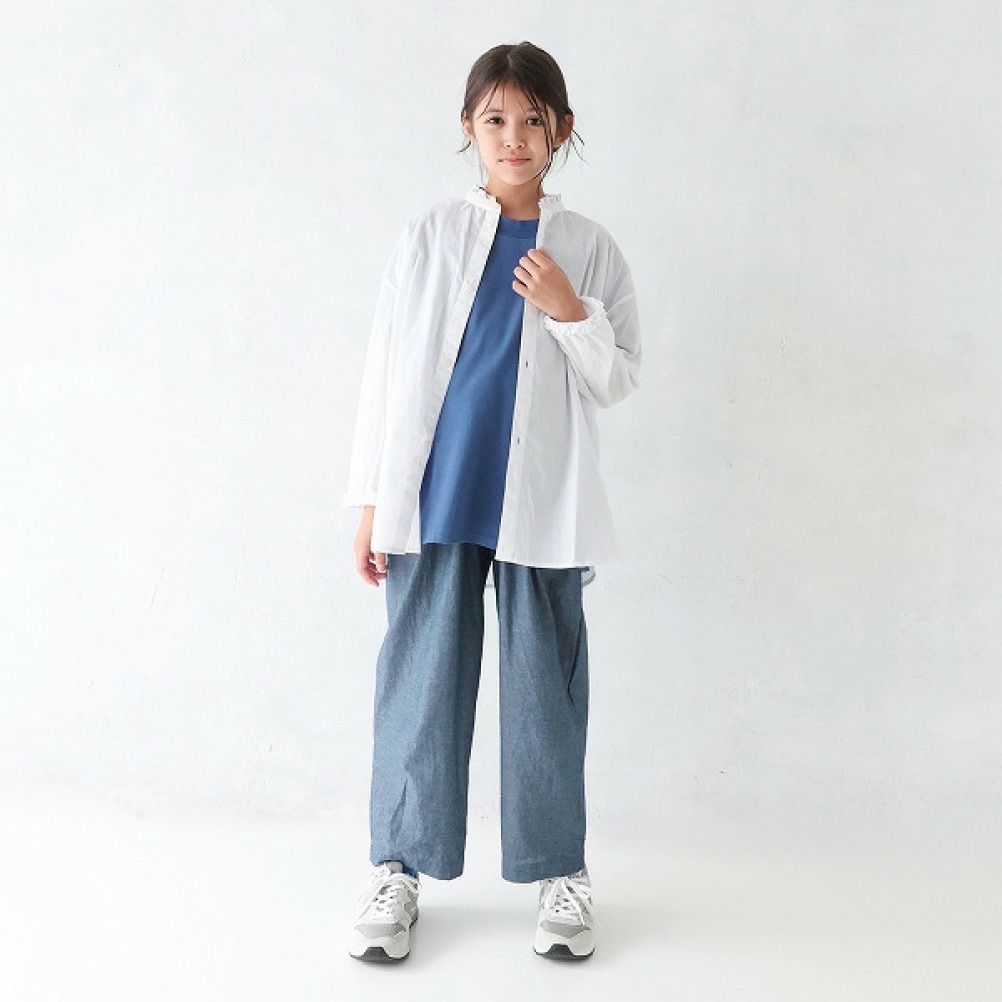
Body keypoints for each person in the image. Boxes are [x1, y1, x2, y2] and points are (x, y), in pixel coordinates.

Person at [343, 41, 641, 963]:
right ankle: (398, 869)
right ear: (469, 128)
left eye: (533, 120)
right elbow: (386, 371)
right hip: (434, 497)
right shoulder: (429, 235)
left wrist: (568, 308)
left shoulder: (589, 248)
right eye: (495, 119)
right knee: (420, 684)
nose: (514, 137)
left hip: (541, 505)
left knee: (545, 690)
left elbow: (617, 379)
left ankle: (560, 874)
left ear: (562, 130)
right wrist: (370, 501)